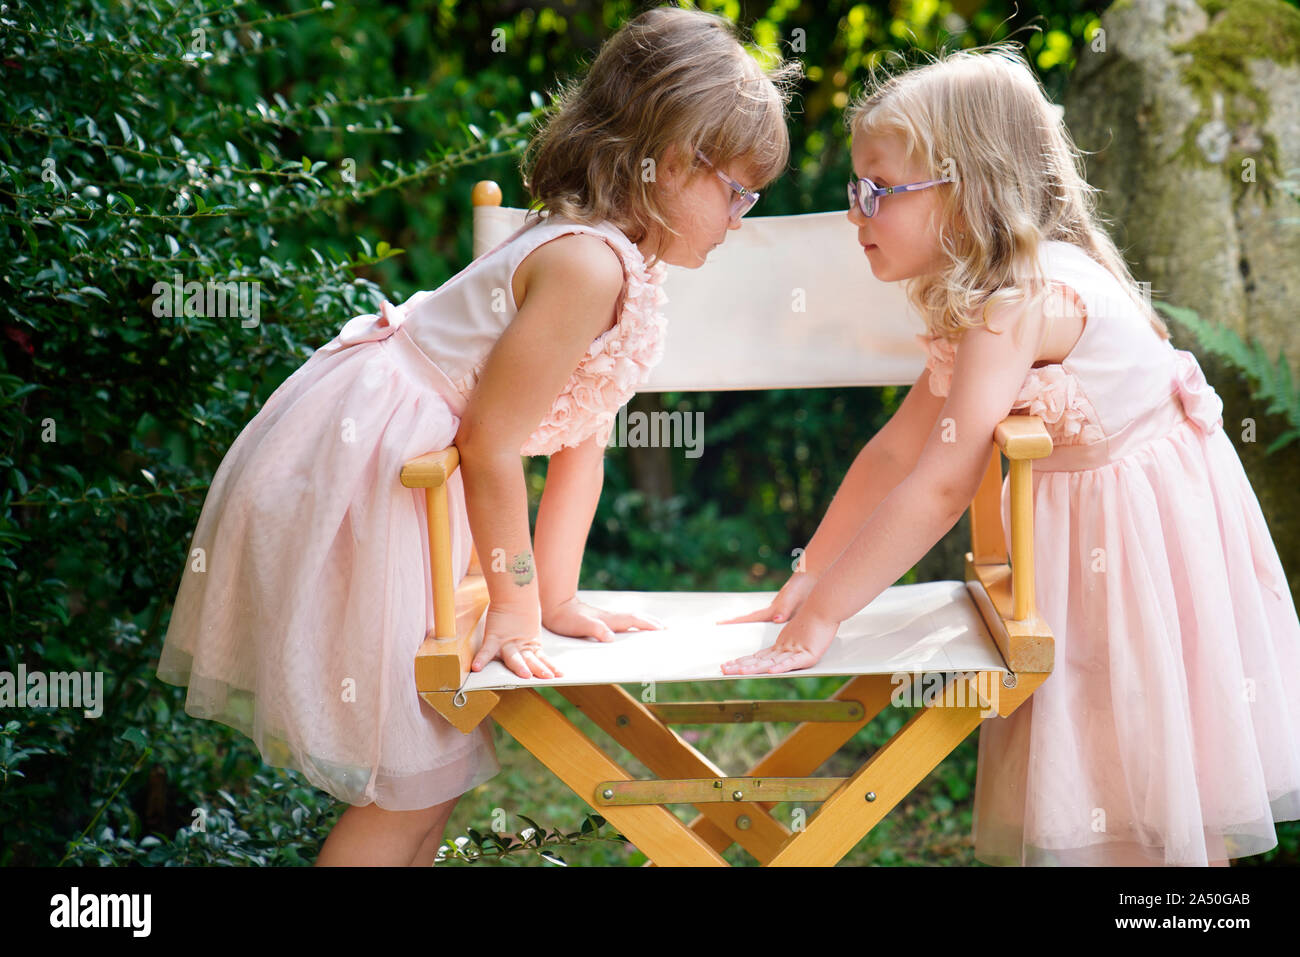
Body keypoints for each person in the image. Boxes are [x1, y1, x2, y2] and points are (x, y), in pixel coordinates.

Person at [156, 5, 799, 866]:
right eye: (738, 191)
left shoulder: (624, 262)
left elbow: (581, 436)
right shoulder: (584, 262)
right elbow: (491, 446)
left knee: (436, 768)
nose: (742, 216)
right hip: (389, 472)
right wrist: (513, 603)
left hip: (423, 475)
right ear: (674, 161)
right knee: (414, 770)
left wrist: (556, 597)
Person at [721, 44, 1300, 867]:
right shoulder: (988, 299)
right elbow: (896, 453)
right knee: (1112, 753)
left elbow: (943, 483)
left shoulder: (1019, 302)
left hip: (1140, 550)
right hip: (1097, 539)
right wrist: (814, 568)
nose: (857, 212)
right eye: (859, 188)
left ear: (965, 190)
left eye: (879, 190)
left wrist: (826, 617)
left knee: (1144, 748)